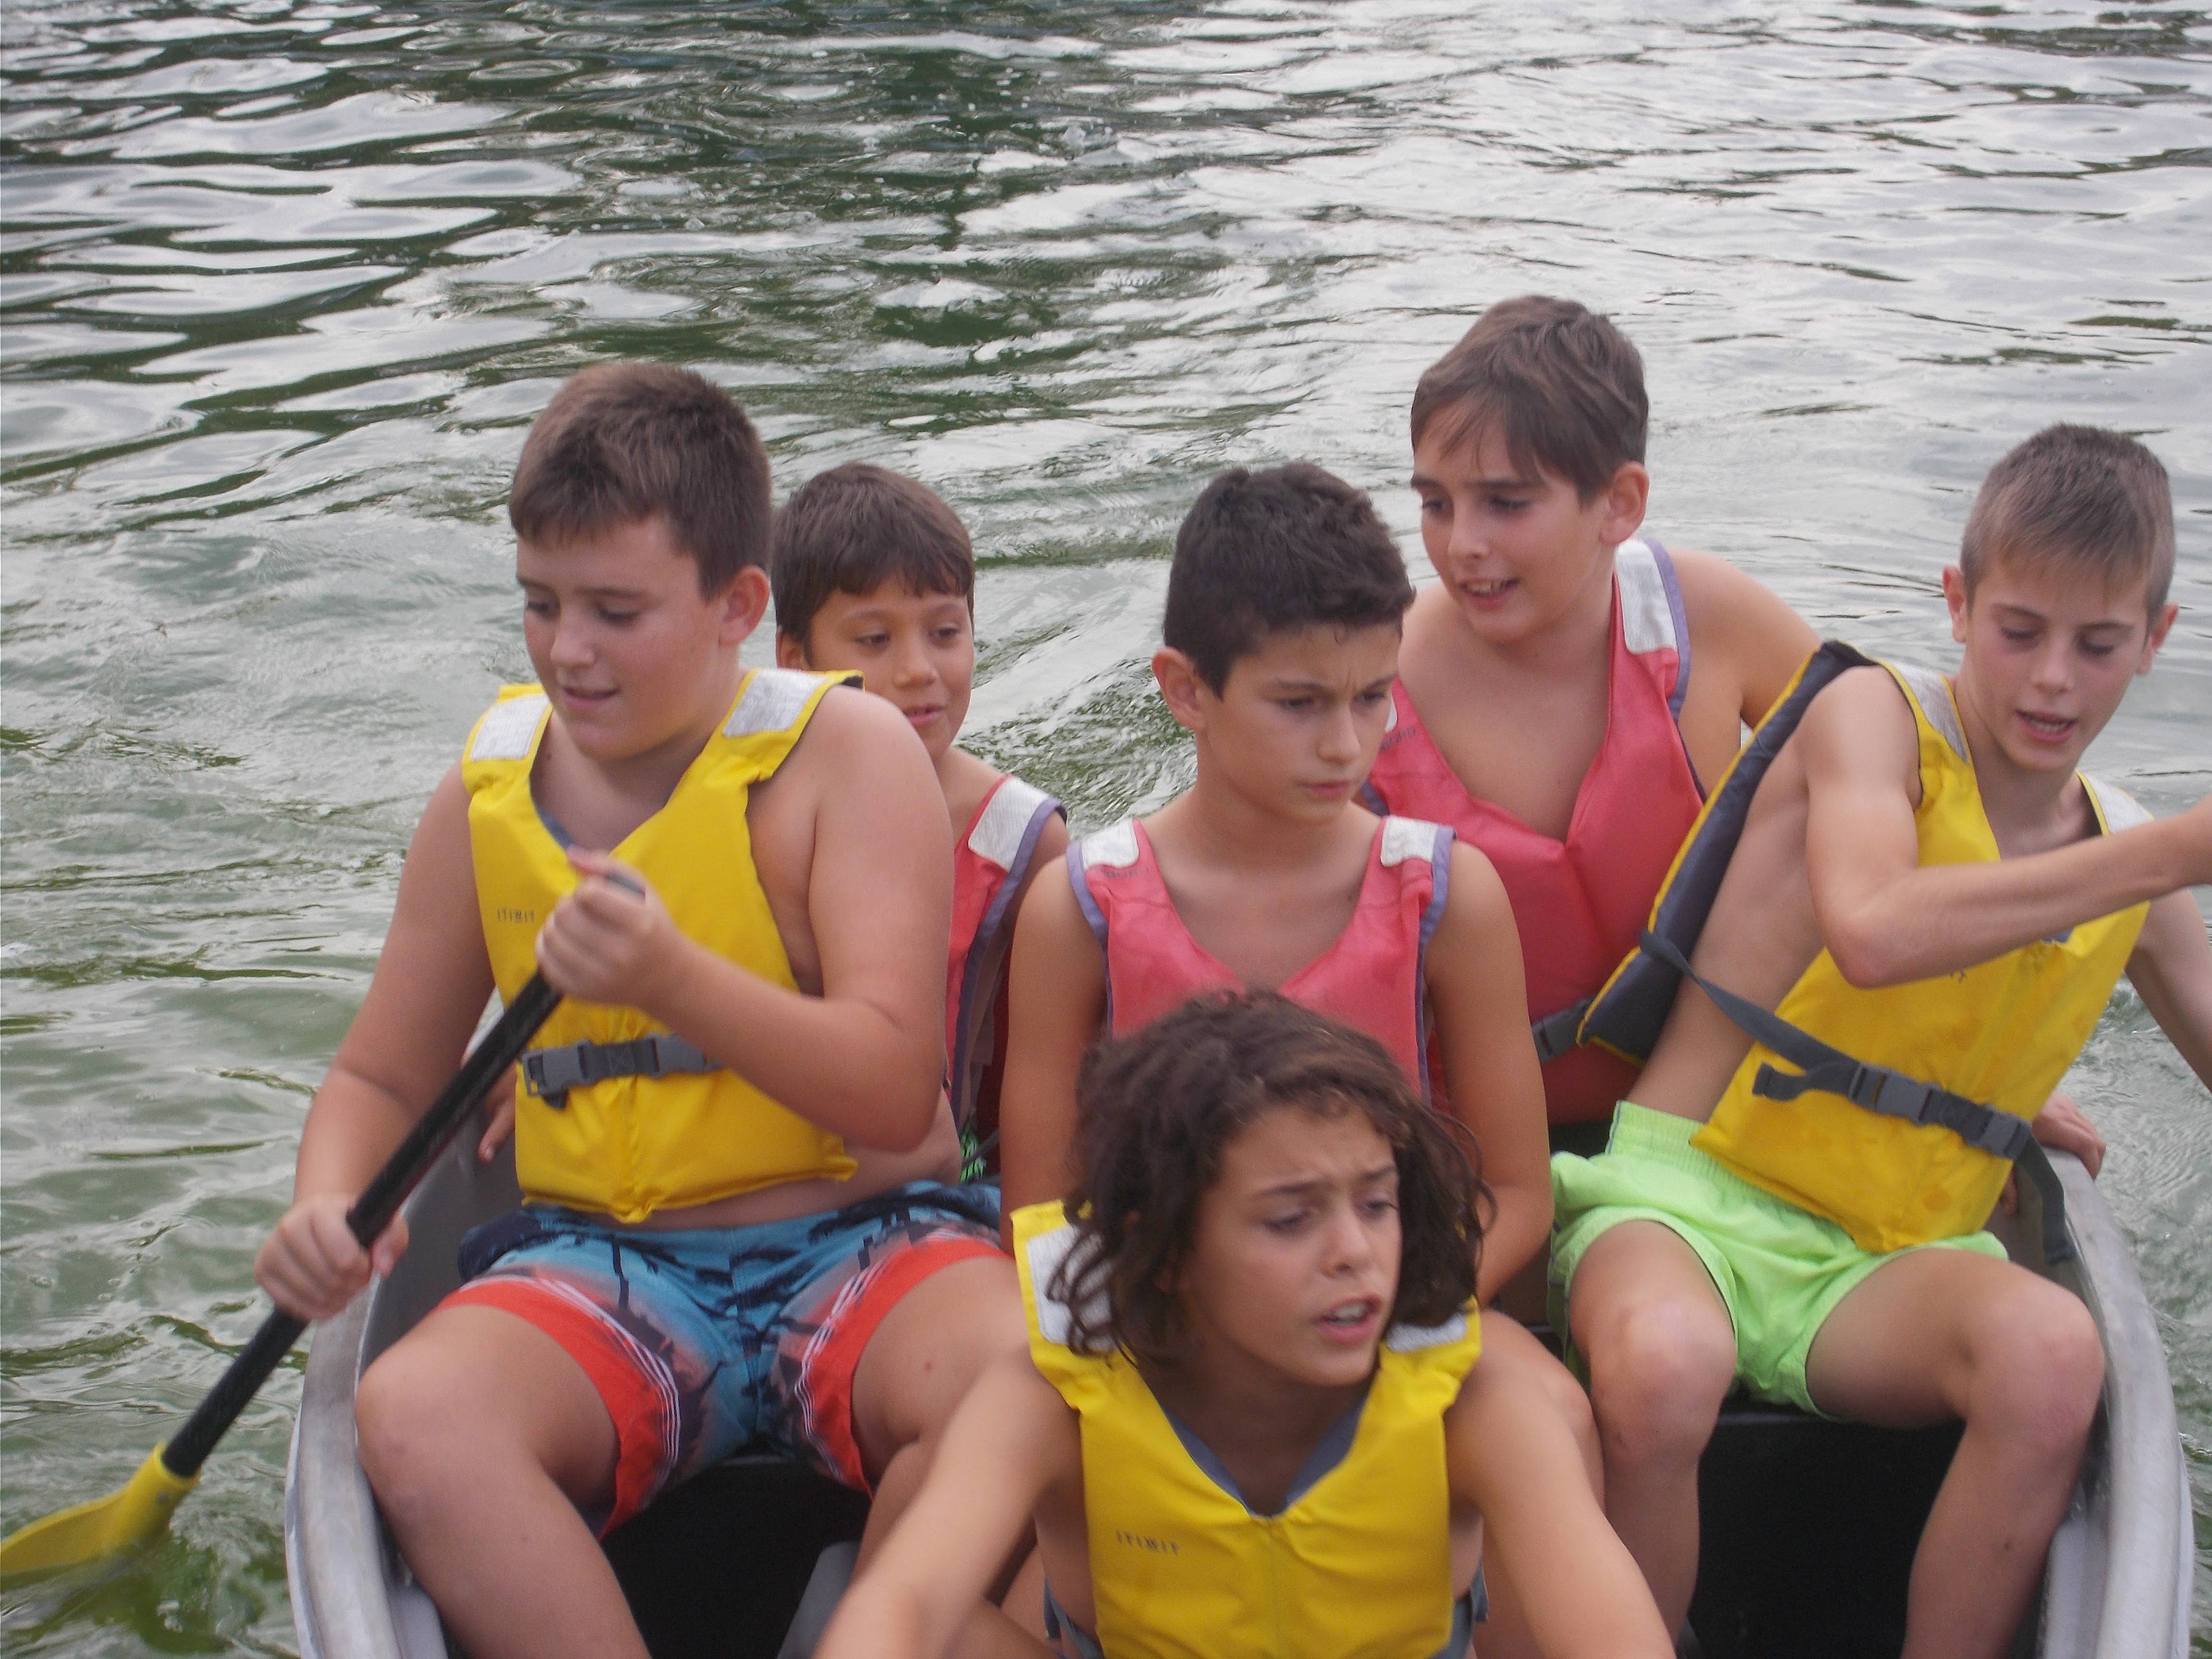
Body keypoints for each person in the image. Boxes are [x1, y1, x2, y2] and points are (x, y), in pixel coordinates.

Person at [251, 364, 1031, 1659]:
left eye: (616, 611)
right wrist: (331, 1202)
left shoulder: (848, 759)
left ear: (739, 608)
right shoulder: (484, 796)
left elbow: (898, 1089)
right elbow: (383, 1079)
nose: (569, 648)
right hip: (605, 1263)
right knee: (414, 1413)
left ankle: (867, 1633)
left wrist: (675, 981)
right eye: (541, 603)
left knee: (1027, 1373)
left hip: (867, 1246)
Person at [1549, 424, 2212, 1657]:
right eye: (2019, 631)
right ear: (1957, 604)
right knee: (1663, 1363)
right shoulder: (1875, 718)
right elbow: (1872, 929)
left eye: (2098, 644)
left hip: (1884, 1269)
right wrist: (2174, 851)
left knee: (2053, 1355)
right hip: (1687, 1202)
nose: (2053, 680)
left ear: (2155, 639)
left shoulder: (2128, 858)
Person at [998, 461, 1593, 1654]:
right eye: (1300, 703)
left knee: (1558, 1421)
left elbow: (1517, 1192)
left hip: (1393, 1299)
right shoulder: (1082, 911)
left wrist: (1375, 1318)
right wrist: (1206, 1351)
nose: (1347, 743)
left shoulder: (1446, 896)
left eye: (1375, 698)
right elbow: (1044, 1212)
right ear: (1185, 689)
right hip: (1163, 1332)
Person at [818, 992, 1674, 1659]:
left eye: (1376, 1205)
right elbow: (905, 1605)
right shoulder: (1050, 1405)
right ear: (1165, 1251)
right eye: (1290, 1220)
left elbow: (1617, 1640)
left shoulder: (1477, 1405)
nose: (1355, 1254)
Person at [1366, 295, 1818, 1153]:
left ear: (1619, 503)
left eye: (1505, 503)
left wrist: (1955, 1065)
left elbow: (1917, 793)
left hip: (1716, 1123)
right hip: (1476, 1154)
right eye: (1435, 503)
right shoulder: (1366, 689)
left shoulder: (1710, 620)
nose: (1461, 545)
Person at [773, 462, 1068, 1175]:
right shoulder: (749, 808)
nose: (918, 670)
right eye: (874, 640)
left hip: (930, 1181)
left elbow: (1036, 1093)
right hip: (757, 1165)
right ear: (795, 660)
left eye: (944, 632)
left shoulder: (1022, 842)